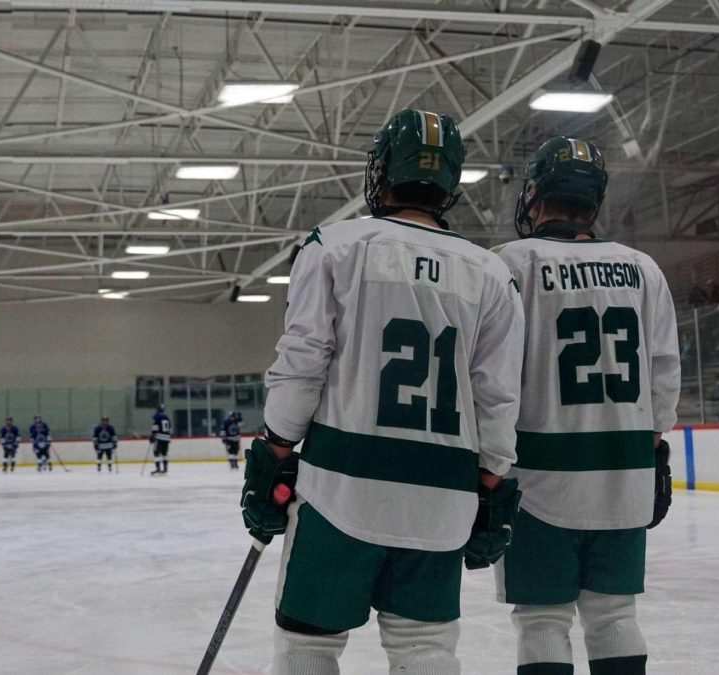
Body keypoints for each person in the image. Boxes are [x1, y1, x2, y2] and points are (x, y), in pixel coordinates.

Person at [246, 108, 525, 675]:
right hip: (443, 495)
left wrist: (275, 451)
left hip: (340, 489)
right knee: (425, 651)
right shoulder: (491, 273)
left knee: (309, 646)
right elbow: (496, 394)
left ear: (382, 170)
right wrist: (492, 480)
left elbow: (304, 362)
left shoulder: (335, 245)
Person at [493, 136, 681, 675]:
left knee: (542, 619)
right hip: (624, 469)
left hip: (539, 473)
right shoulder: (642, 268)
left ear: (537, 194)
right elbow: (664, 369)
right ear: (593, 200)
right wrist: (654, 446)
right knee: (614, 612)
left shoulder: (511, 263)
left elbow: (493, 373)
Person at [150, 405, 172, 476]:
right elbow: (170, 427)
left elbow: (155, 427)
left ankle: (158, 469)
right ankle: (165, 469)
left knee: (156, 453)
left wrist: (153, 436)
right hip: (167, 438)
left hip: (159, 438)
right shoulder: (167, 417)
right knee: (164, 453)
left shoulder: (157, 417)